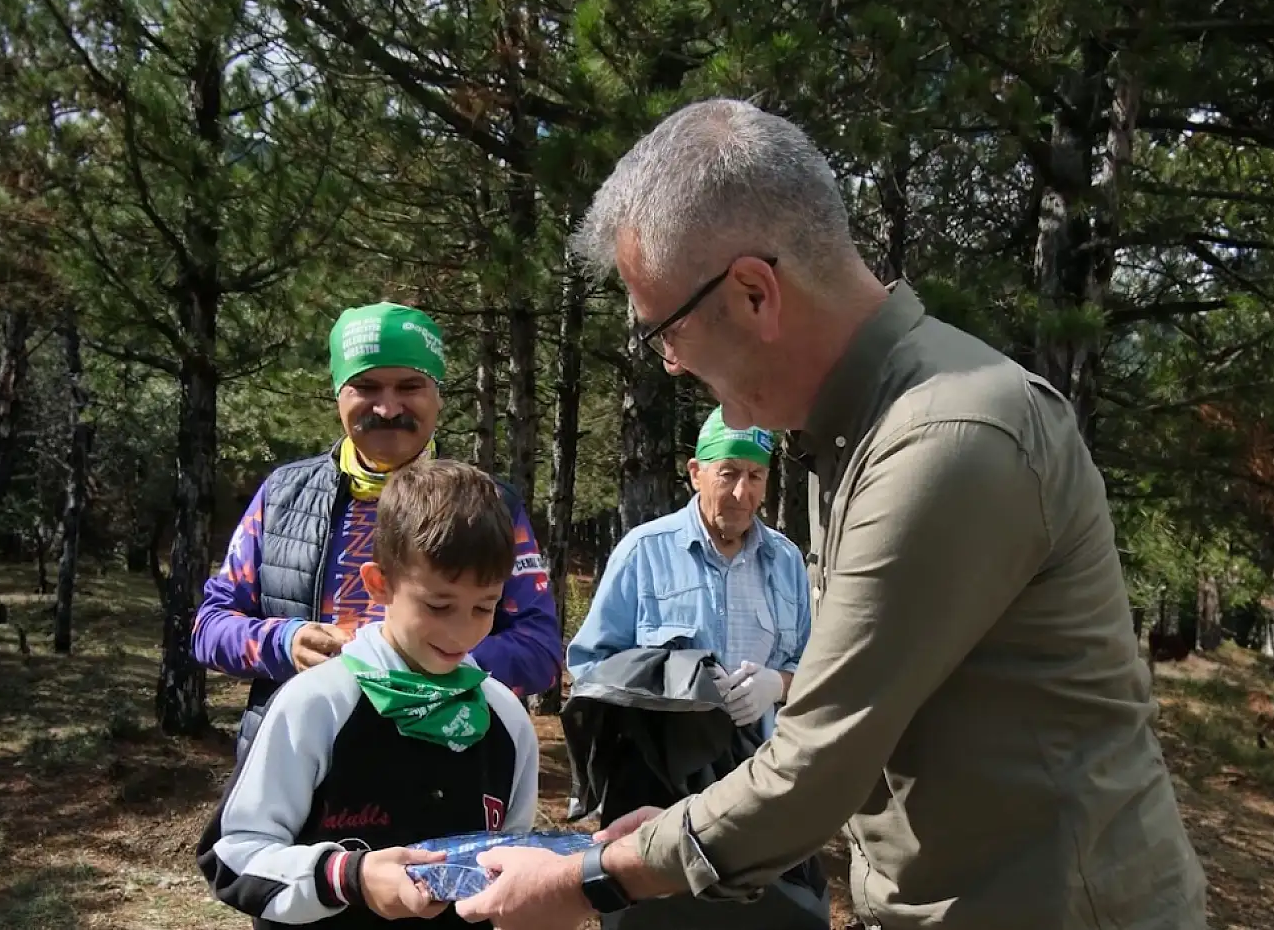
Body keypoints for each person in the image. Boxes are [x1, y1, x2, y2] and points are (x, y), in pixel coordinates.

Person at [453, 99, 1207, 930]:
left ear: (752, 294)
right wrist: (664, 835)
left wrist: (591, 879)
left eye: (663, 330)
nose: (669, 364)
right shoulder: (849, 430)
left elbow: (815, 769)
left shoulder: (945, 440)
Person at [192, 302, 562, 760]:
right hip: (296, 758)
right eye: (365, 387)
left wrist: (421, 663)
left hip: (447, 761)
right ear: (337, 397)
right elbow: (209, 628)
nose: (388, 408)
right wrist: (286, 642)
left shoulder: (492, 504)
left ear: (438, 396)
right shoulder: (281, 495)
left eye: (410, 386)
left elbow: (540, 651)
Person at [197, 459, 540, 928]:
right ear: (379, 584)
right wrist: (349, 877)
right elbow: (235, 856)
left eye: (485, 607)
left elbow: (513, 857)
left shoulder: (505, 717)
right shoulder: (317, 705)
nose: (463, 631)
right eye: (439, 605)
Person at [568, 406, 811, 736]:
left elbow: (813, 668)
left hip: (762, 772)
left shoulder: (786, 561)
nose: (742, 492)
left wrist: (778, 685)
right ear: (696, 474)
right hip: (665, 776)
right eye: (728, 474)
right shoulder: (644, 552)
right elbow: (589, 669)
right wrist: (673, 690)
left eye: (755, 476)